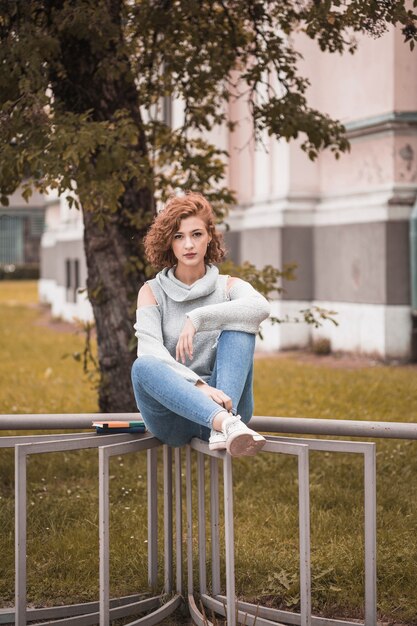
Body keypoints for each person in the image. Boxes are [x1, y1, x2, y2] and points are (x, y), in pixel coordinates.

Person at [131, 192, 271, 457]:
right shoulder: (151, 292)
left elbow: (260, 308)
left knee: (240, 324)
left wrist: (198, 319)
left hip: (228, 402)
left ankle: (223, 426)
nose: (188, 245)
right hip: (172, 417)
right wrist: (198, 387)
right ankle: (224, 423)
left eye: (196, 234)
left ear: (210, 237)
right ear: (168, 243)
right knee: (143, 366)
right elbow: (149, 350)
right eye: (178, 236)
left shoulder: (228, 287)